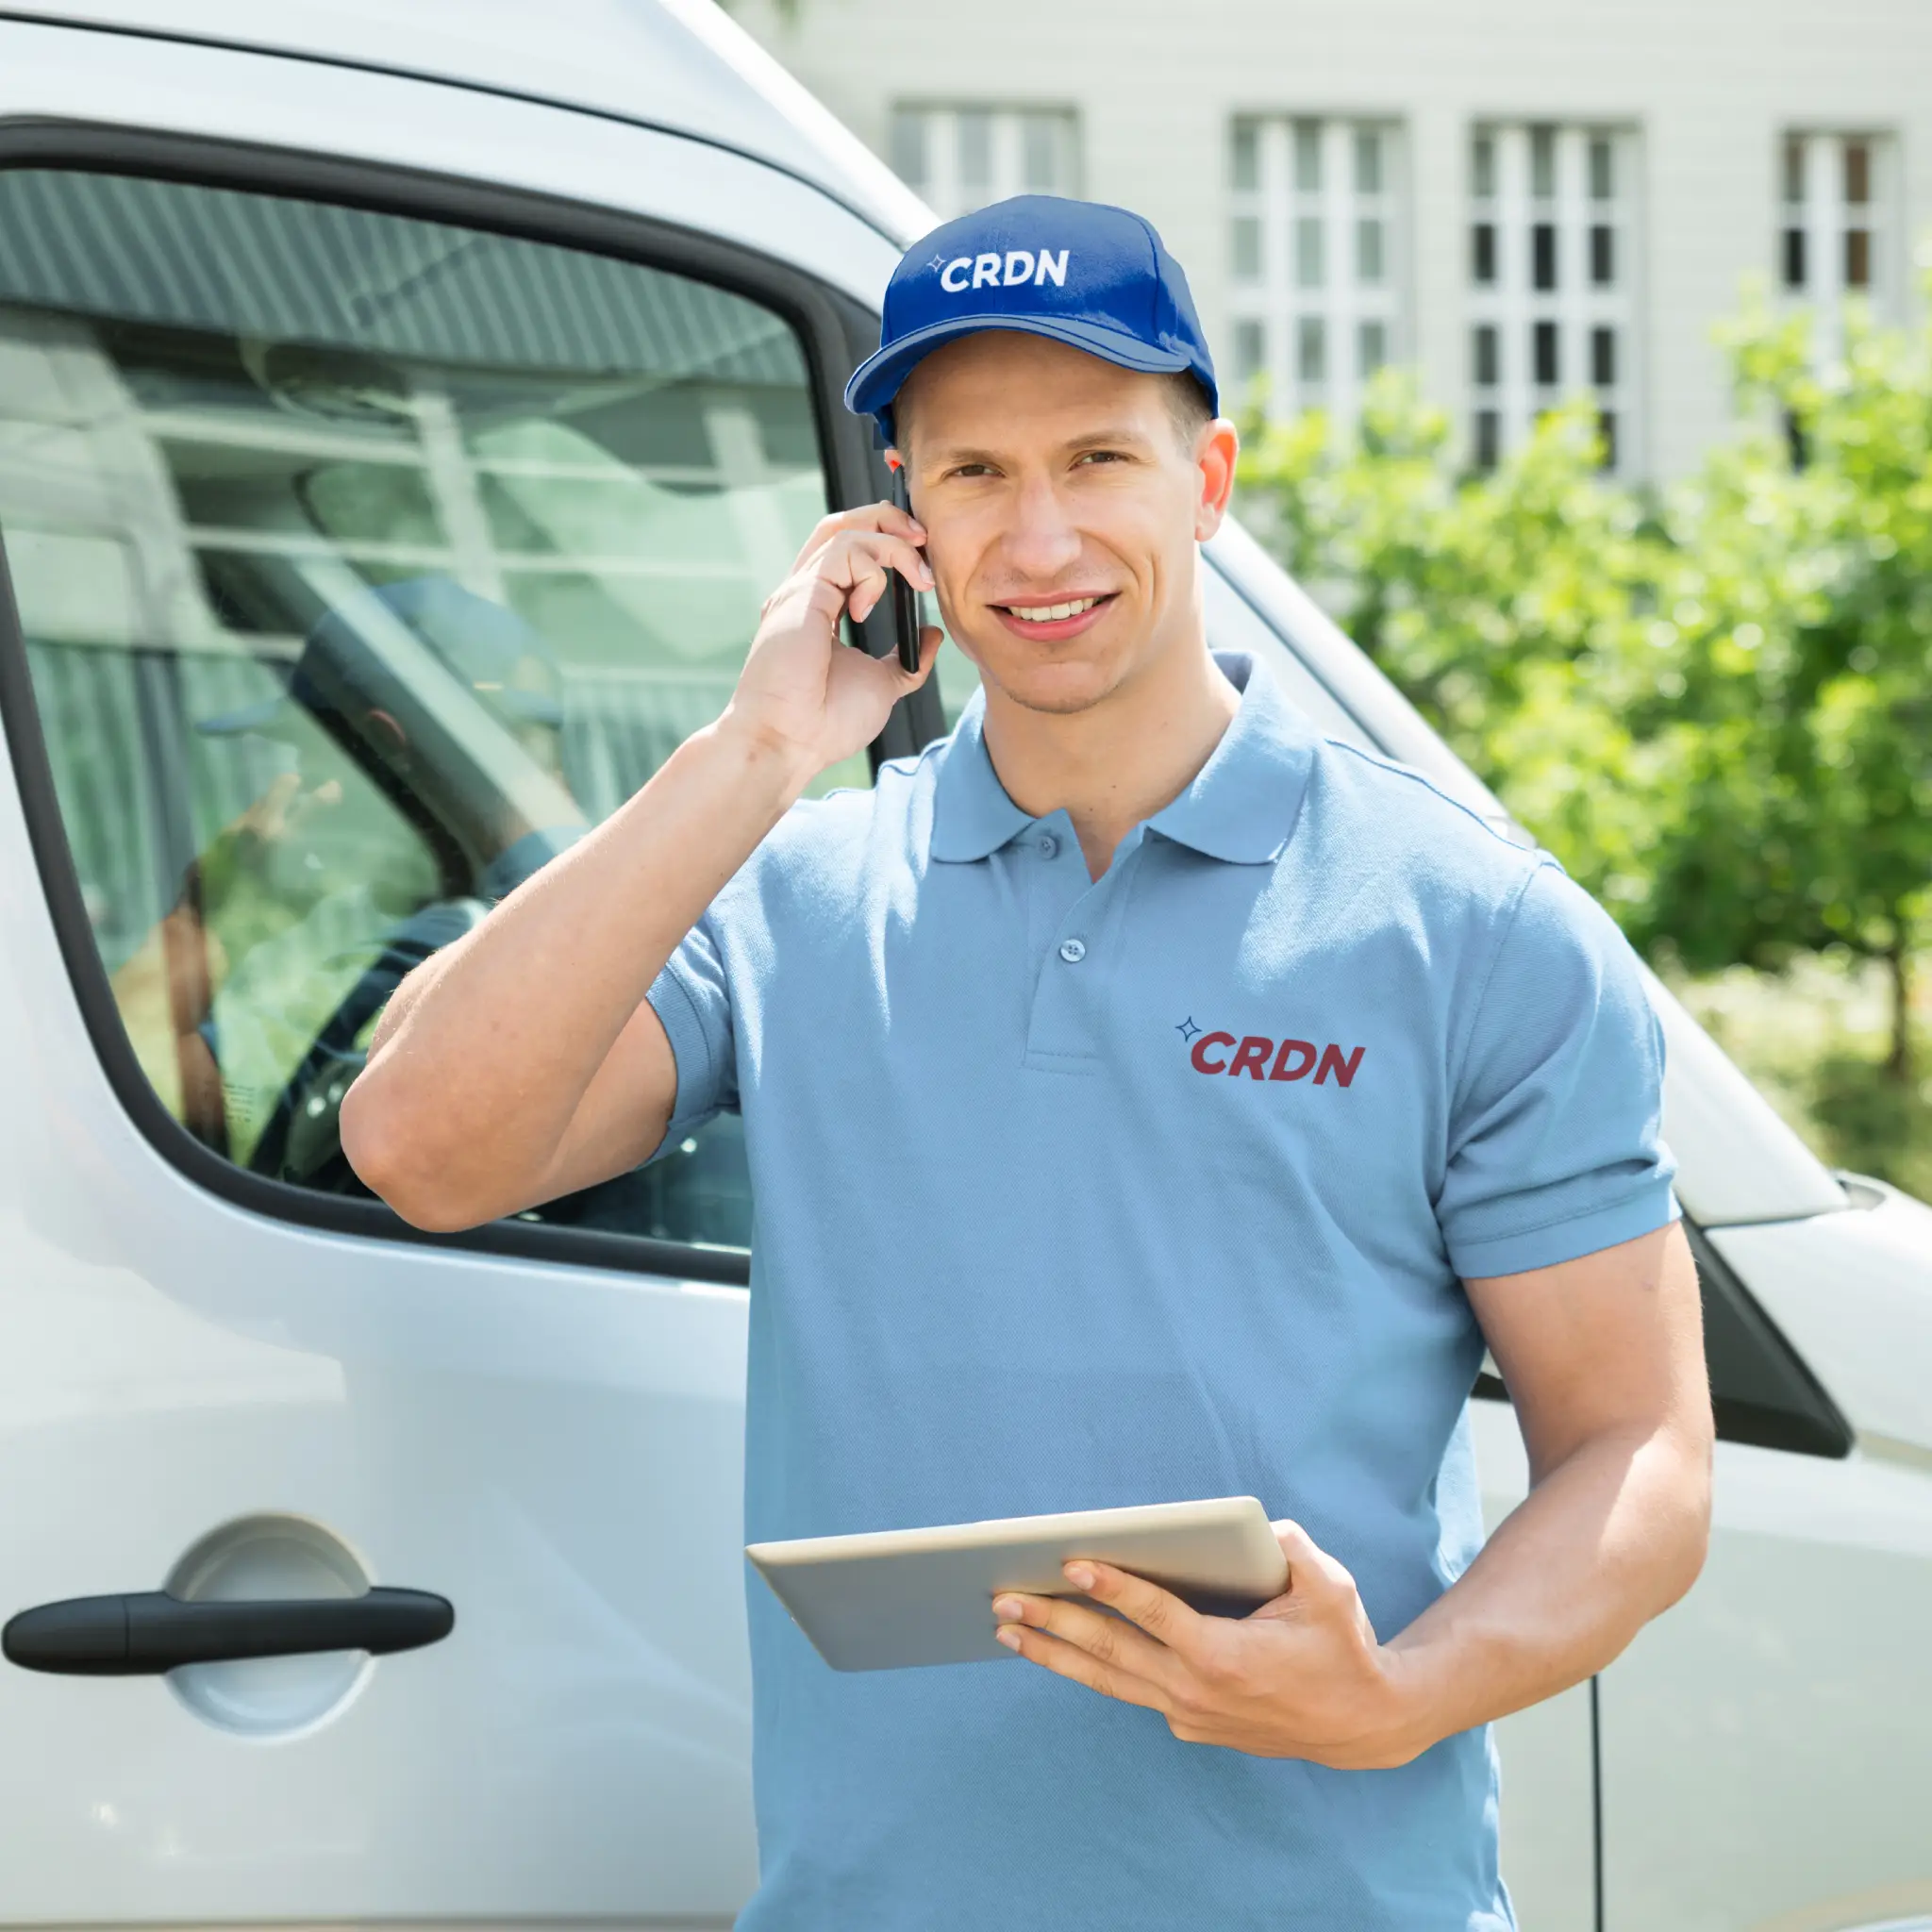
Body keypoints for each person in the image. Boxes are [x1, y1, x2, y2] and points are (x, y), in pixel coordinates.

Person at [341, 196, 1713, 1929]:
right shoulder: (796, 896)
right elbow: (419, 1149)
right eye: (972, 474)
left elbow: (1641, 1457)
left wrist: (1403, 1694)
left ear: (1205, 480)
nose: (1040, 535)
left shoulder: (1472, 922)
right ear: (897, 516)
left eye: (1096, 458)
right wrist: (760, 747)